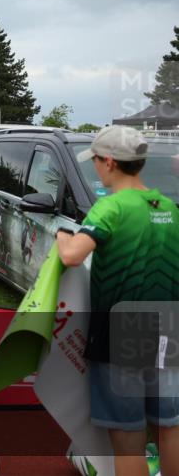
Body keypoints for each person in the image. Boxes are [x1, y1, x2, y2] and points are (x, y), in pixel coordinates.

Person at [57, 126, 179, 476]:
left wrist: (64, 236)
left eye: (95, 160)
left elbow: (72, 256)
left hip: (122, 329)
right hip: (168, 325)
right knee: (169, 426)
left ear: (109, 161)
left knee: (128, 434)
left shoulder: (109, 208)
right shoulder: (167, 206)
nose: (95, 166)